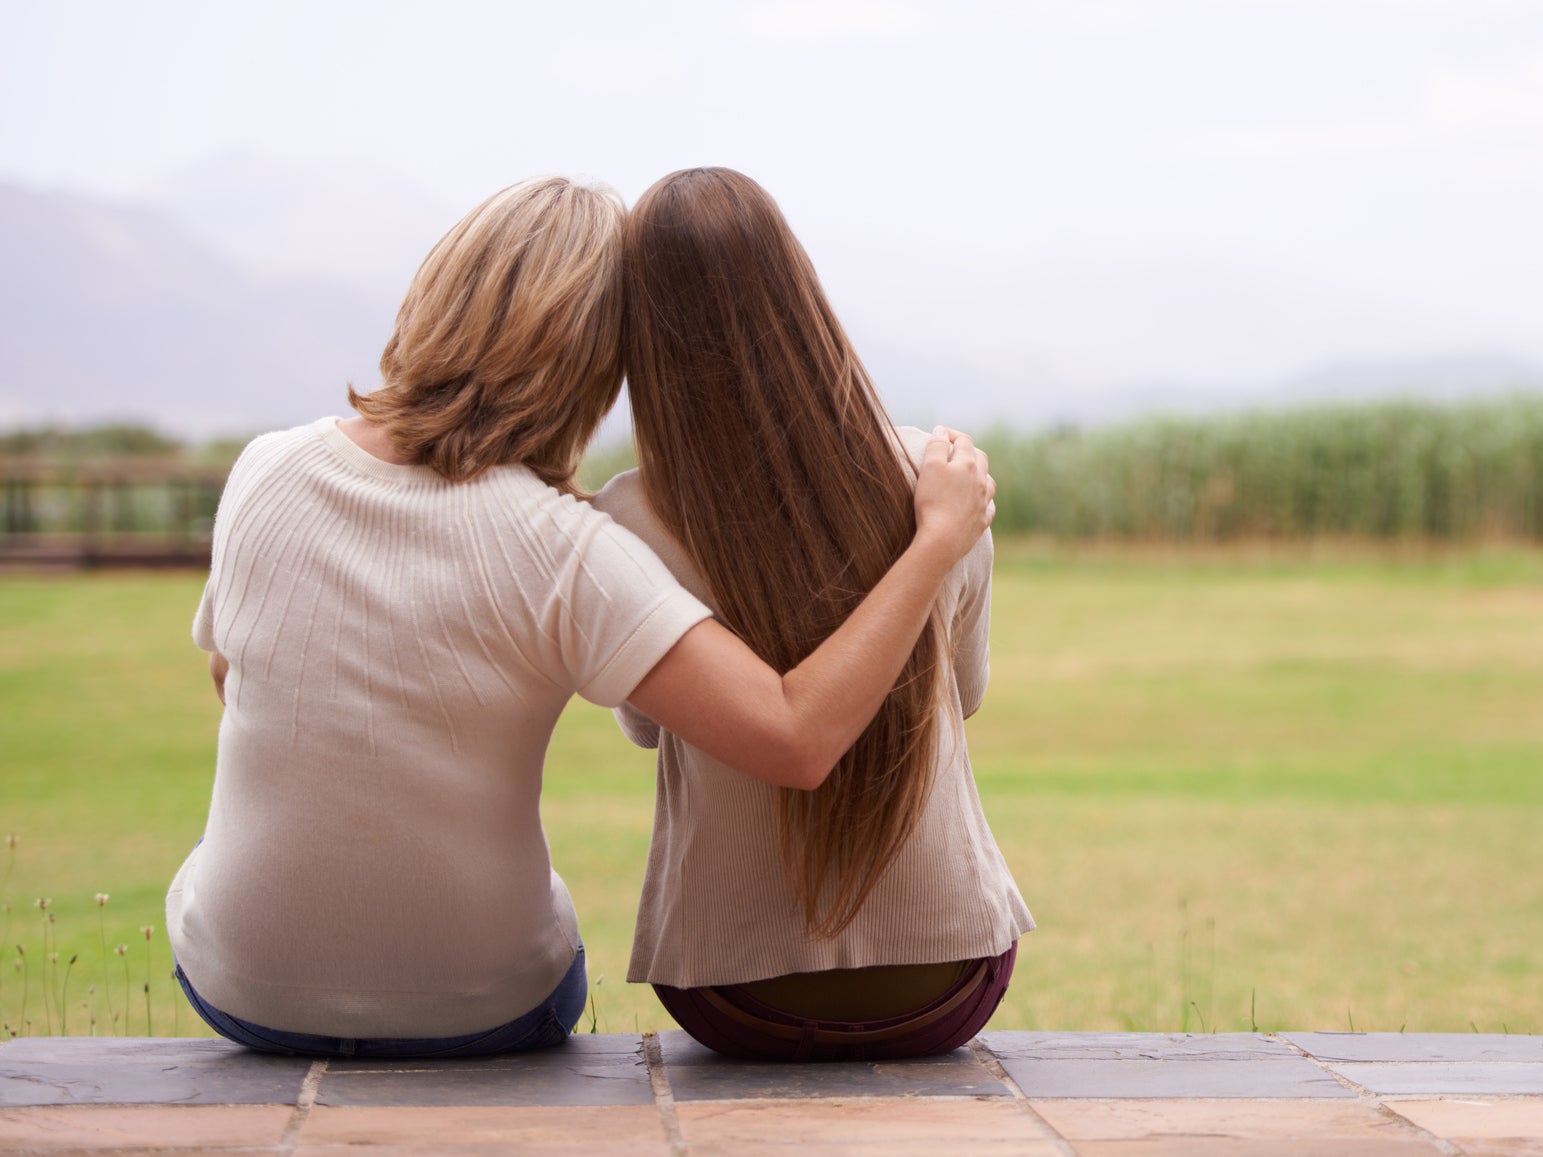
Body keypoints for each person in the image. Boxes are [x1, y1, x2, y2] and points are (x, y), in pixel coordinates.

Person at [165, 175, 995, 1060]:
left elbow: (233, 676)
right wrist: (934, 540)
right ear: (598, 363)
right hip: (482, 1003)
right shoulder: (564, 545)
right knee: (538, 913)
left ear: (432, 293)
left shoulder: (266, 469)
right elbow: (795, 736)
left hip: (239, 986)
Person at [594, 167, 1032, 1062]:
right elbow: (964, 692)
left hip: (729, 994)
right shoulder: (939, 480)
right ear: (800, 291)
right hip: (946, 987)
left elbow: (646, 726)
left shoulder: (626, 518)